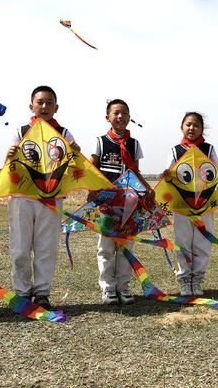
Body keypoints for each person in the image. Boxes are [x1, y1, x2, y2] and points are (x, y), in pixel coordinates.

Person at [6, 85, 79, 311]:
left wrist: (76, 153)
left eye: (49, 102)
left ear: (56, 107)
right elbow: (12, 168)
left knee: (46, 247)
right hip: (23, 197)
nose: (44, 106)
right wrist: (7, 156)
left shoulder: (65, 134)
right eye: (40, 102)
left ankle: (42, 293)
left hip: (51, 198)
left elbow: (75, 168)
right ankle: (22, 292)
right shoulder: (21, 131)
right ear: (32, 105)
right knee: (20, 248)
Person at [90, 99, 153, 305]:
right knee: (106, 248)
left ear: (129, 117)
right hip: (107, 204)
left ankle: (123, 286)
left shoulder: (134, 144)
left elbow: (135, 171)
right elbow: (92, 169)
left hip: (130, 205)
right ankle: (108, 289)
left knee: (126, 247)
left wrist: (148, 189)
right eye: (116, 113)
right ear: (107, 117)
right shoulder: (100, 142)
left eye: (124, 113)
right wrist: (92, 193)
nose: (120, 117)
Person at [164, 112, 218, 296]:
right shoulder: (175, 151)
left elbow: (216, 172)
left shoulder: (209, 149)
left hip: (205, 204)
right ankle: (185, 280)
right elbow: (169, 175)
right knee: (183, 241)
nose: (191, 128)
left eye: (196, 125)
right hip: (181, 205)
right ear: (182, 127)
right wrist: (166, 175)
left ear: (202, 129)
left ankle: (197, 280)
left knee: (202, 242)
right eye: (188, 125)